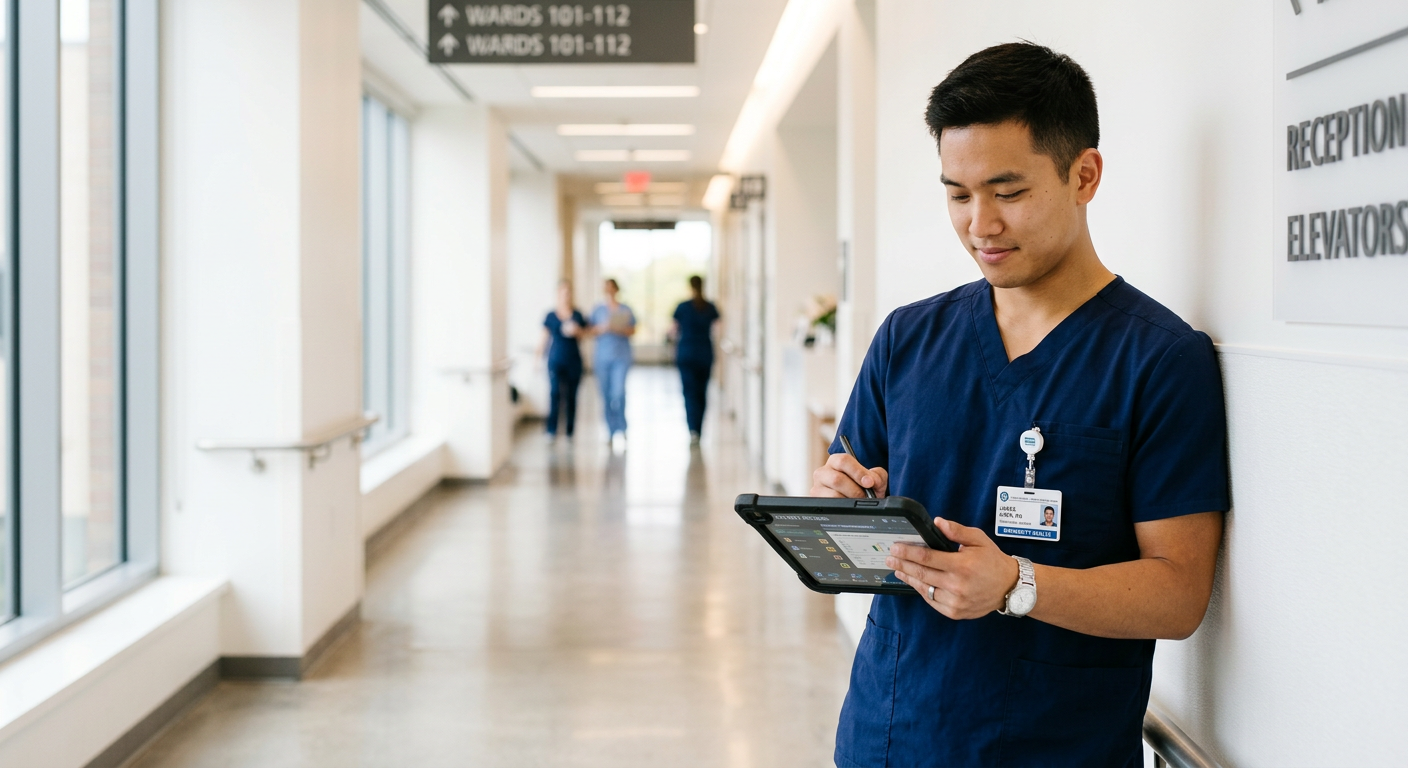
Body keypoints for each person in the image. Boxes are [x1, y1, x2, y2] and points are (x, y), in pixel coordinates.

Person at [810, 43, 1228, 767]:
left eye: (1008, 193)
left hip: (1051, 745)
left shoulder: (1159, 360)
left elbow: (1177, 594)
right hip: (889, 732)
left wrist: (1016, 585)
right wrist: (838, 500)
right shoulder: (908, 339)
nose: (980, 225)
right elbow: (854, 523)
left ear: (1084, 175)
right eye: (957, 194)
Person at [672, 275, 720, 444]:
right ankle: (699, 428)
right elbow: (717, 328)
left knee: (689, 392)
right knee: (702, 392)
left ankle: (692, 429)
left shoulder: (683, 307)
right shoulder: (710, 307)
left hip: (686, 353)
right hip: (704, 353)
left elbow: (674, 330)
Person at [590, 278, 636, 448]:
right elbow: (589, 330)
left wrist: (618, 328)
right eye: (606, 288)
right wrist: (603, 328)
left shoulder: (625, 309)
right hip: (602, 358)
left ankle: (622, 427)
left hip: (621, 357)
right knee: (606, 395)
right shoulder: (598, 310)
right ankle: (610, 430)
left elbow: (632, 329)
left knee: (619, 392)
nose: (609, 291)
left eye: (612, 288)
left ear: (617, 289)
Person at [540, 280, 587, 442]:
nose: (565, 296)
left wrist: (577, 331)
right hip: (555, 360)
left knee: (571, 396)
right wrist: (537, 357)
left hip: (573, 360)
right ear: (558, 294)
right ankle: (551, 429)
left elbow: (585, 334)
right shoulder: (550, 316)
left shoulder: (578, 315)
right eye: (563, 292)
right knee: (554, 393)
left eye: (568, 292)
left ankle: (569, 430)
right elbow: (544, 338)